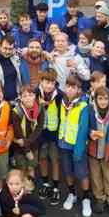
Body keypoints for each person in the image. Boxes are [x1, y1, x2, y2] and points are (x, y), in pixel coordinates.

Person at [58, 76, 91, 217]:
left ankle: (86, 198)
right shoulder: (63, 102)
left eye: (74, 87)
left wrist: (79, 149)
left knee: (82, 173)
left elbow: (83, 129)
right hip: (63, 143)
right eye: (68, 87)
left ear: (79, 90)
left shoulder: (84, 105)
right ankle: (72, 194)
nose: (70, 90)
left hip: (77, 146)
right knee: (67, 172)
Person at [88, 87, 109, 215]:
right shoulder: (90, 111)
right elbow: (85, 128)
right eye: (100, 98)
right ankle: (100, 199)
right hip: (93, 151)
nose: (103, 102)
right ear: (95, 99)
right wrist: (91, 133)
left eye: (106, 99)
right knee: (96, 178)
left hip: (108, 152)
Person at [36, 70, 62, 205]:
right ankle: (46, 183)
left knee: (55, 159)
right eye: (47, 82)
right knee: (43, 158)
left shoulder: (59, 96)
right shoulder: (35, 93)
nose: (49, 85)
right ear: (41, 82)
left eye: (52, 83)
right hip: (40, 133)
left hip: (54, 132)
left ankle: (56, 186)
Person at [12, 85, 45, 181]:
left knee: (31, 168)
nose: (28, 98)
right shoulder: (16, 111)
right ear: (20, 98)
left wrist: (28, 144)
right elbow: (18, 133)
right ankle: (21, 189)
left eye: (30, 95)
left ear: (34, 96)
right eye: (24, 96)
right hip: (19, 146)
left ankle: (30, 188)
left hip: (33, 144)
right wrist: (27, 150)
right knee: (21, 169)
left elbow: (39, 127)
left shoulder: (40, 107)